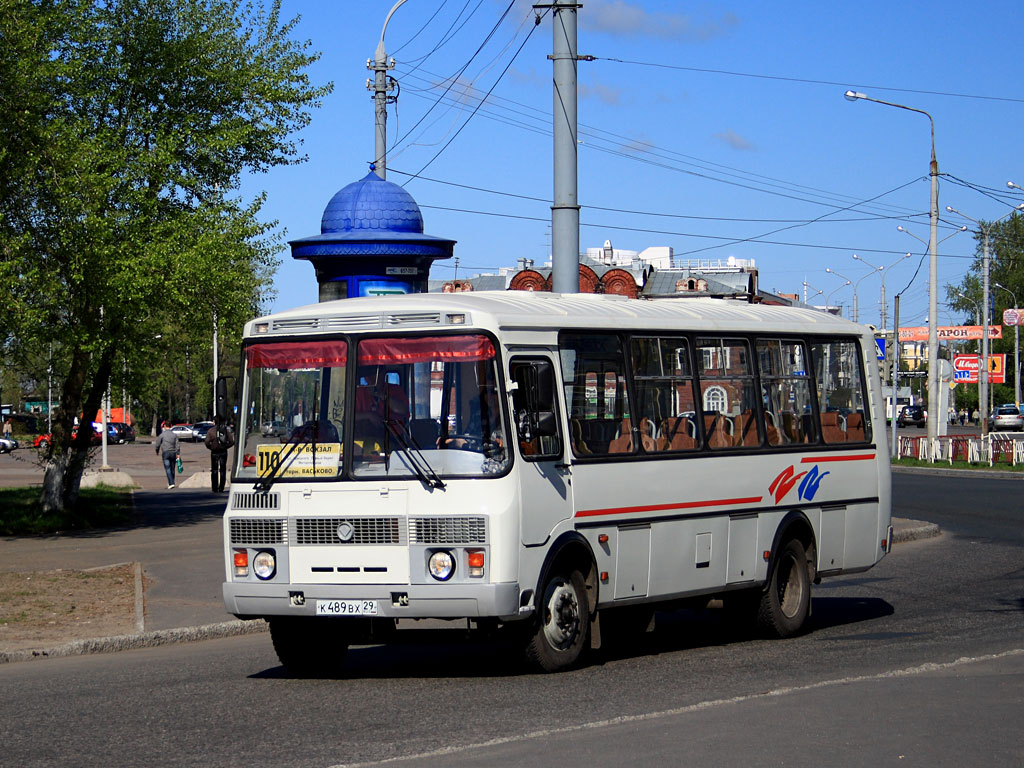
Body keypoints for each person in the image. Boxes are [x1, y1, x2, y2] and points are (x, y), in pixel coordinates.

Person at [204, 415, 235, 492]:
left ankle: (214, 487)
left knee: (214, 470)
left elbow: (207, 442)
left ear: (214, 421)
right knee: (223, 469)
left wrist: (211, 447)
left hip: (214, 452)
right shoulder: (225, 431)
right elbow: (231, 441)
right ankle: (221, 487)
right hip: (223, 452)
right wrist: (226, 447)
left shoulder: (211, 431)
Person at [154, 423, 180, 489]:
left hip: (165, 453)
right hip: (173, 453)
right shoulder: (174, 435)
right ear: (171, 426)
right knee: (172, 468)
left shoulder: (162, 435)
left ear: (165, 426)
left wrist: (157, 451)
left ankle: (171, 483)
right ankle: (172, 482)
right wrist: (178, 454)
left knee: (168, 468)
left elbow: (157, 444)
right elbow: (177, 445)